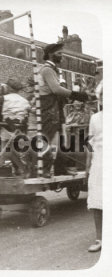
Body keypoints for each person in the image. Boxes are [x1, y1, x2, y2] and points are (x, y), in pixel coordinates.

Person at [37, 43, 88, 177]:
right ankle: (46, 169)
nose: (61, 56)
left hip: (54, 107)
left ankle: (59, 168)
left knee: (59, 139)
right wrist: (76, 95)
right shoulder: (47, 69)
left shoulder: (52, 69)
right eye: (59, 54)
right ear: (50, 54)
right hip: (48, 108)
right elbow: (56, 89)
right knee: (51, 138)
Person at [86, 80, 103, 252]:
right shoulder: (94, 118)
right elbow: (89, 143)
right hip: (99, 164)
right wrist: (87, 166)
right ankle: (99, 239)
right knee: (98, 203)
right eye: (103, 96)